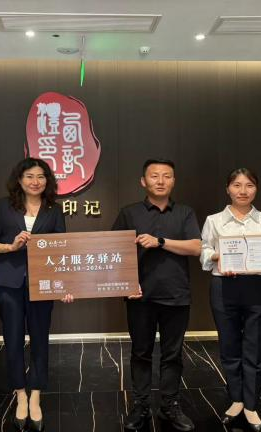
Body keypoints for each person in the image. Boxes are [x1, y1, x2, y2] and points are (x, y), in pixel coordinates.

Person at [0, 157, 71, 431]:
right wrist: (10, 246)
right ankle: (20, 394)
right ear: (19, 180)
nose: (35, 181)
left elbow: (62, 248)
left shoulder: (54, 209)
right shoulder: (3, 206)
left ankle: (36, 396)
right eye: (29, 176)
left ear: (48, 181)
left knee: (40, 338)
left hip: (43, 283)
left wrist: (66, 285)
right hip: (8, 281)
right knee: (13, 337)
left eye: (41, 176)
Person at [113, 159, 201, 431]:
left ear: (173, 181)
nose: (160, 181)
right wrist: (126, 284)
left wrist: (160, 242)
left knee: (172, 355)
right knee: (141, 353)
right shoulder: (129, 213)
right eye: (154, 176)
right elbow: (114, 252)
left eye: (167, 176)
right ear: (143, 181)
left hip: (177, 295)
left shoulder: (185, 212)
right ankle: (140, 406)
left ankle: (169, 405)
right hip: (140, 297)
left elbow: (196, 247)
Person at [199, 168, 261, 432]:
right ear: (228, 189)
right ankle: (236, 399)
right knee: (229, 345)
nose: (243, 191)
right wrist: (218, 256)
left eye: (249, 185)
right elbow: (204, 250)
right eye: (237, 185)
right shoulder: (214, 220)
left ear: (256, 189)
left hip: (258, 286)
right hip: (224, 286)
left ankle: (251, 405)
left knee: (256, 347)